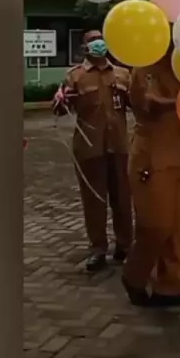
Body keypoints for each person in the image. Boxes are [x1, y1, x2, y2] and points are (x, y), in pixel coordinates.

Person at [52, 30, 133, 272]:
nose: (99, 43)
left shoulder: (123, 74)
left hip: (119, 146)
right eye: (93, 40)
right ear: (85, 47)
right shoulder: (74, 76)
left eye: (101, 39)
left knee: (123, 199)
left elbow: (136, 105)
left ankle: (125, 246)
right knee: (94, 201)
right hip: (89, 148)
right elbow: (59, 109)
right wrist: (61, 101)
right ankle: (98, 249)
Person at [122, 49, 180, 307]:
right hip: (151, 158)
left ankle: (170, 287)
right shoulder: (145, 67)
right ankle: (134, 276)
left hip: (178, 154)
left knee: (178, 227)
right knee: (156, 225)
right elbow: (148, 104)